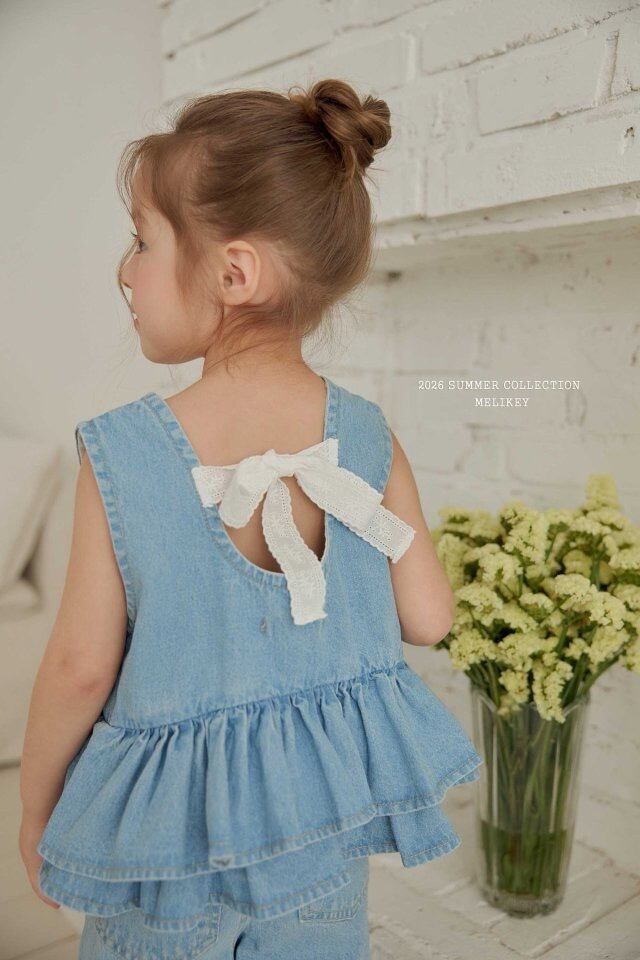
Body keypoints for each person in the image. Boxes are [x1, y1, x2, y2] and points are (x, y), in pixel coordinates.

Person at [19, 78, 482, 960]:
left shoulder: (122, 453)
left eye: (142, 240)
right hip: (319, 844)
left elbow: (80, 668)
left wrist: (37, 812)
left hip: (169, 857)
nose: (125, 269)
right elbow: (429, 618)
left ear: (234, 274)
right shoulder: (366, 434)